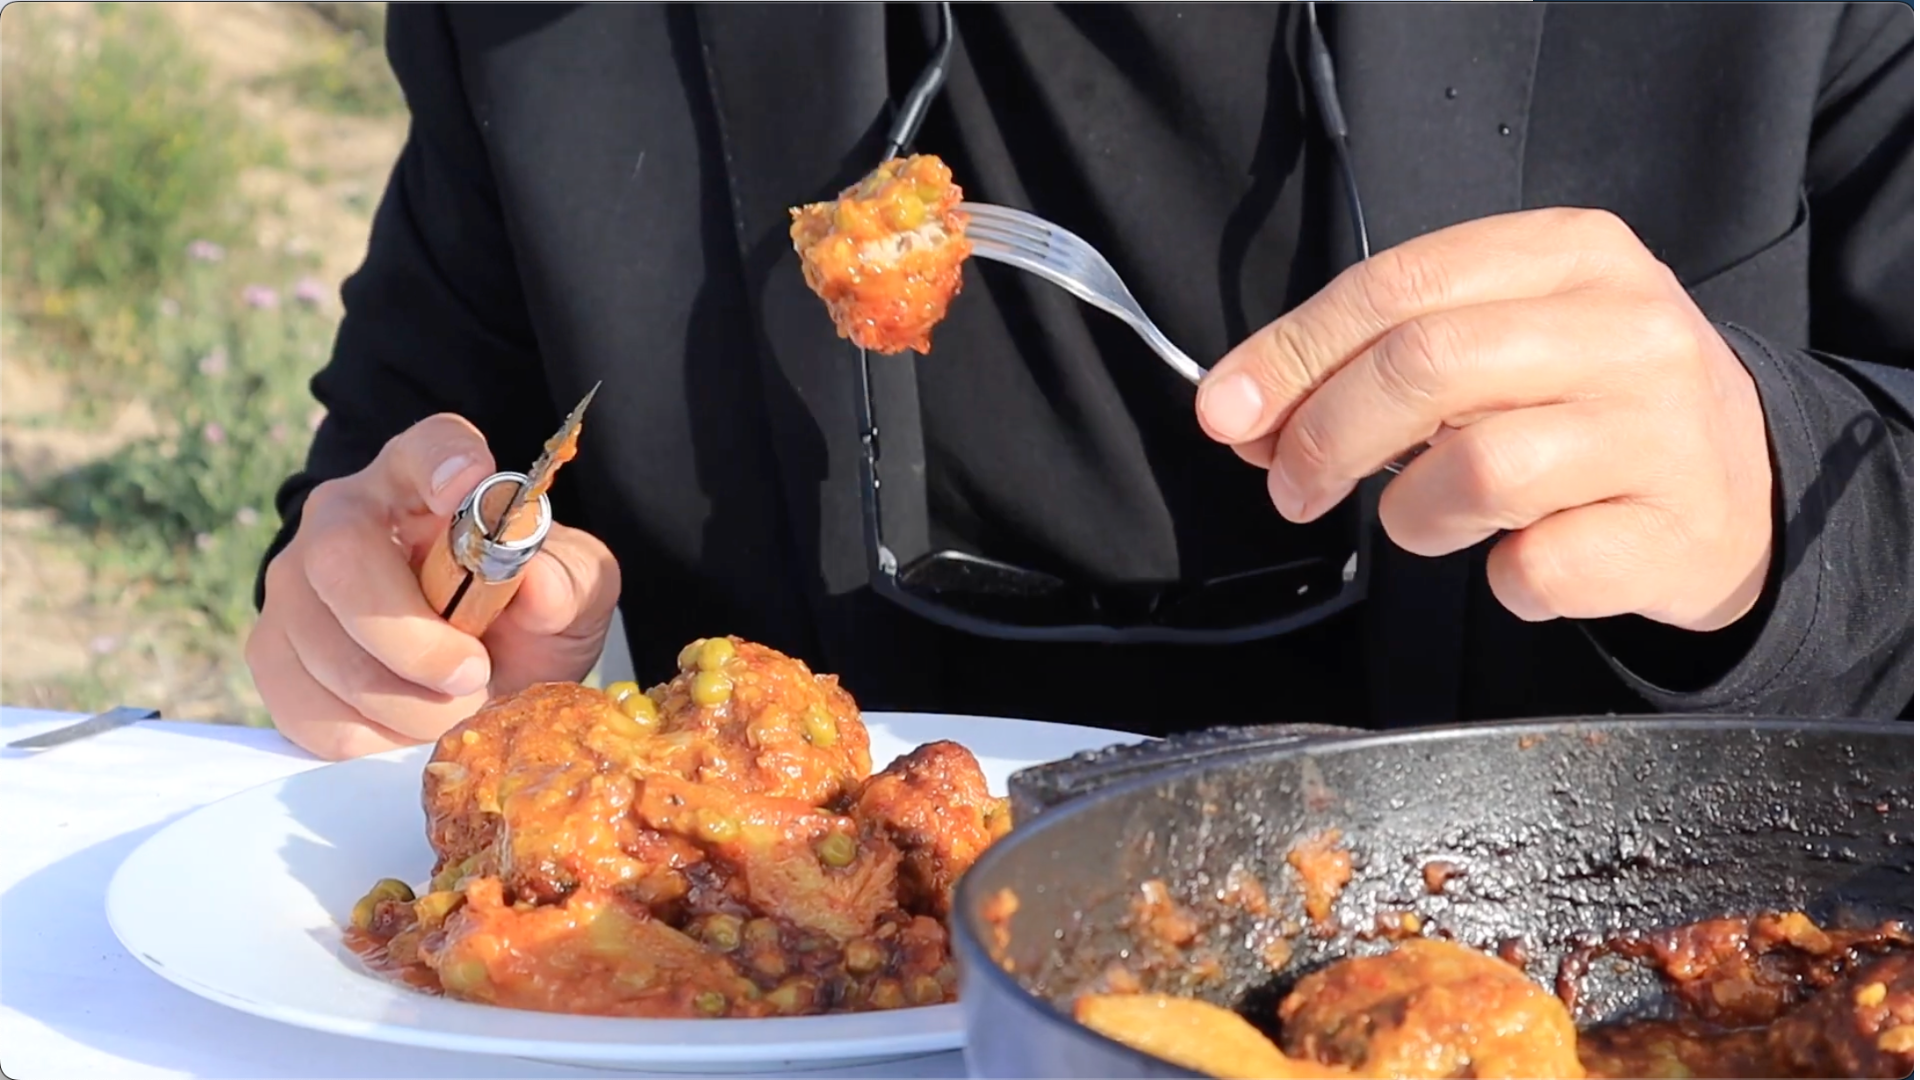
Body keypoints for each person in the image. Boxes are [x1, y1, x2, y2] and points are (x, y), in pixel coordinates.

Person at [246, 3, 1913, 761]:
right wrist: (421, 603)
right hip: (820, 989)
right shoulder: (543, 28)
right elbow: (404, 490)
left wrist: (1769, 508)